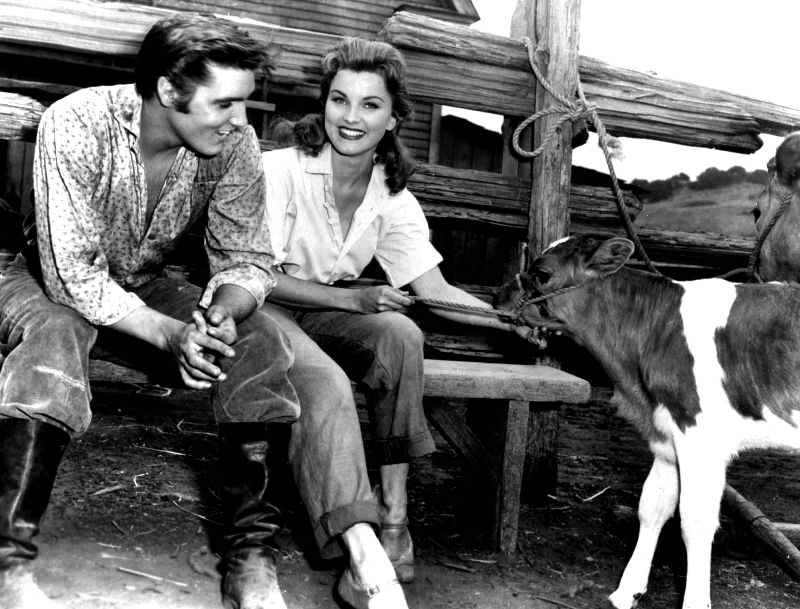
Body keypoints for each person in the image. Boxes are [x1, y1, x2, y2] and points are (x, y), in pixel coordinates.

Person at [0, 14, 304, 609]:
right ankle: (8, 563)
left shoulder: (233, 144)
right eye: (226, 103)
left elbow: (245, 257)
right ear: (169, 90)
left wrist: (222, 312)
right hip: (33, 275)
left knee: (260, 339)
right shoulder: (78, 121)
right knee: (57, 332)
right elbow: (73, 278)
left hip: (141, 284)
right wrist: (171, 336)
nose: (242, 121)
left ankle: (251, 558)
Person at [260, 37, 517, 603]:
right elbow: (254, 277)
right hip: (262, 303)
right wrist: (356, 301)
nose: (350, 118)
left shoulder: (392, 194)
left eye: (370, 105)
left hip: (325, 304)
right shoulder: (279, 170)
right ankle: (356, 540)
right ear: (322, 103)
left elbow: (434, 289)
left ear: (395, 116)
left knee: (402, 333)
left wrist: (515, 323)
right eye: (339, 100)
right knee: (321, 375)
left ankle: (396, 520)